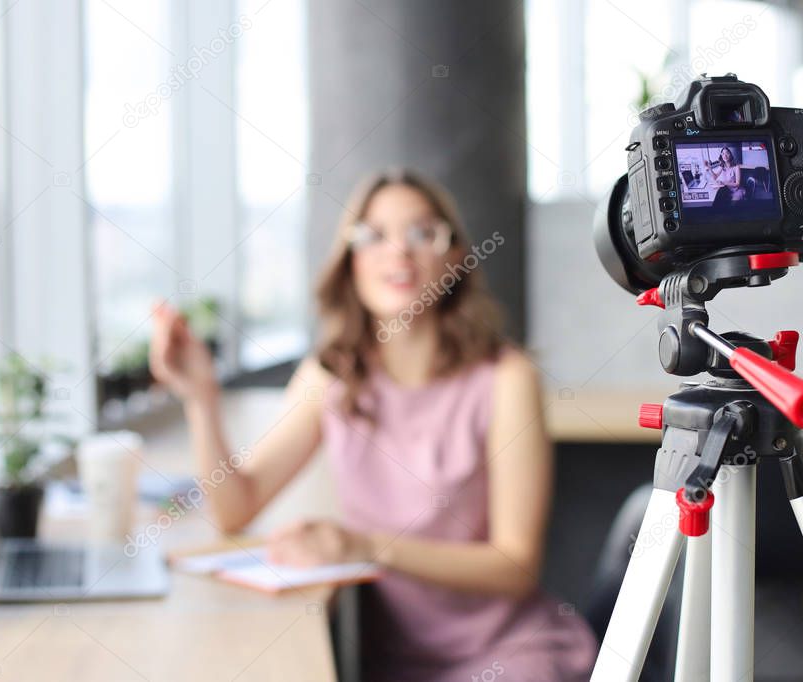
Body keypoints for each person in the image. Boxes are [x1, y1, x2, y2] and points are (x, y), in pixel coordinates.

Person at [149, 168, 597, 681]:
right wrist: (201, 398)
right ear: (350, 260)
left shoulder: (506, 378)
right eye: (374, 235)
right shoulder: (332, 376)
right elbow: (234, 509)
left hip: (509, 656)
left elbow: (517, 566)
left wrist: (368, 545)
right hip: (395, 667)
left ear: (454, 259)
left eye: (422, 233)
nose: (398, 252)